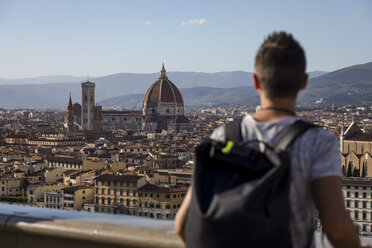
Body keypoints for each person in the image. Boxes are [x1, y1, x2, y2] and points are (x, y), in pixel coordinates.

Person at [175, 32, 362, 247]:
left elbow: (182, 224)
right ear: (303, 82)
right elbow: (337, 230)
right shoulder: (318, 141)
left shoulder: (222, 137)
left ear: (256, 81)